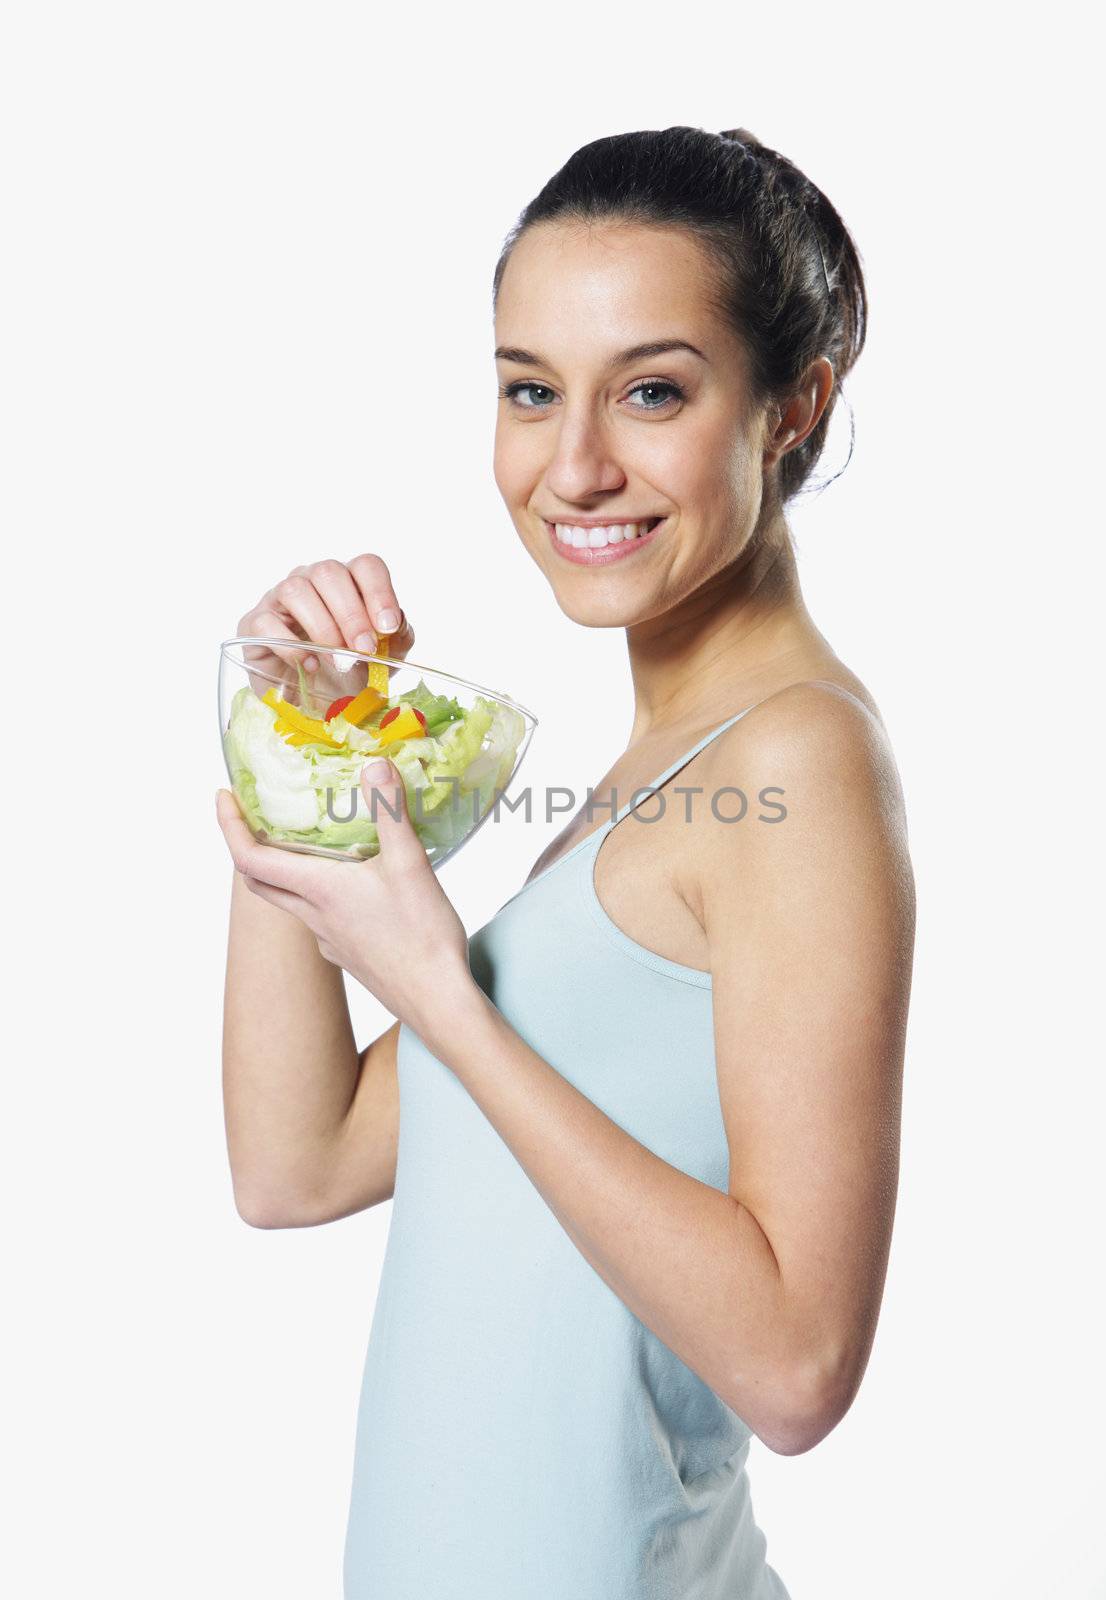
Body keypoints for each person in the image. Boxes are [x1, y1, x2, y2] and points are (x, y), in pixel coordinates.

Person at [216, 125, 916, 1600]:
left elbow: (796, 1368)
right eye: (530, 391)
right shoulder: (651, 773)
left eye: (652, 391)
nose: (575, 465)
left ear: (794, 406)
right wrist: (304, 749)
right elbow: (299, 1162)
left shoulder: (793, 761)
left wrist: (441, 993)